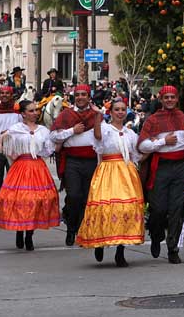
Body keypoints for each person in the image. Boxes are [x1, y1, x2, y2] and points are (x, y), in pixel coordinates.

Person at [137, 85, 184, 264]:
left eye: (172, 97)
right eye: (166, 97)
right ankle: (156, 234)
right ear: (161, 99)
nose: (169, 100)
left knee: (177, 208)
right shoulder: (153, 120)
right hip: (160, 166)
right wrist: (162, 142)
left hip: (180, 167)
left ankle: (173, 248)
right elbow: (142, 146)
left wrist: (182, 154)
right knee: (158, 208)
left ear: (177, 99)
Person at [77, 99, 145, 267]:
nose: (120, 112)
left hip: (127, 172)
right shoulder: (106, 129)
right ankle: (100, 242)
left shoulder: (130, 133)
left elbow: (138, 154)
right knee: (105, 207)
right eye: (117, 109)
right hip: (108, 171)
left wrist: (158, 146)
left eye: (123, 109)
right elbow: (98, 137)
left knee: (125, 209)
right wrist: (99, 116)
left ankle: (120, 251)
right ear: (111, 112)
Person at [0, 100, 60, 251]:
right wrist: (10, 153)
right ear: (23, 114)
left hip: (37, 166)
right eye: (31, 110)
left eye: (36, 110)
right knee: (21, 199)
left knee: (37, 200)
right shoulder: (16, 129)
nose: (35, 113)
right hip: (21, 166)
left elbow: (48, 150)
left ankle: (29, 233)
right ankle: (20, 230)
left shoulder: (43, 130)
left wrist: (58, 142)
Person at [49, 84, 100, 247]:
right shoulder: (66, 115)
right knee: (74, 195)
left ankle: (81, 230)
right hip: (72, 161)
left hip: (91, 161)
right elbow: (54, 136)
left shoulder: (96, 115)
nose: (80, 97)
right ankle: (71, 228)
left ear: (88, 96)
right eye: (77, 94)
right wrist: (72, 131)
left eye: (83, 94)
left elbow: (103, 136)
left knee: (87, 197)